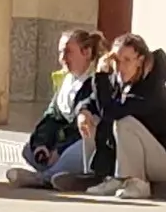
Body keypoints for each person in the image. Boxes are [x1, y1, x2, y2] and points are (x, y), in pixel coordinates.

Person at [57, 33, 166, 199]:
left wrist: (101, 77)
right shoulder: (117, 81)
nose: (120, 67)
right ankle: (101, 176)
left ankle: (137, 182)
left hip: (164, 163)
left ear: (140, 60)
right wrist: (83, 112)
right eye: (116, 60)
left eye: (127, 60)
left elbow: (112, 113)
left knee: (124, 123)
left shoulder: (151, 88)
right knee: (91, 119)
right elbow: (92, 101)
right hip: (139, 158)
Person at [11, 28, 109, 187]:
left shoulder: (96, 82)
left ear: (86, 52)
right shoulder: (66, 81)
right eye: (60, 53)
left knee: (74, 152)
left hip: (86, 141)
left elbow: (82, 127)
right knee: (29, 149)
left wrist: (60, 149)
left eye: (68, 52)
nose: (63, 58)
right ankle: (62, 174)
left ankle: (45, 179)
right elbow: (52, 116)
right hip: (62, 141)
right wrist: (43, 144)